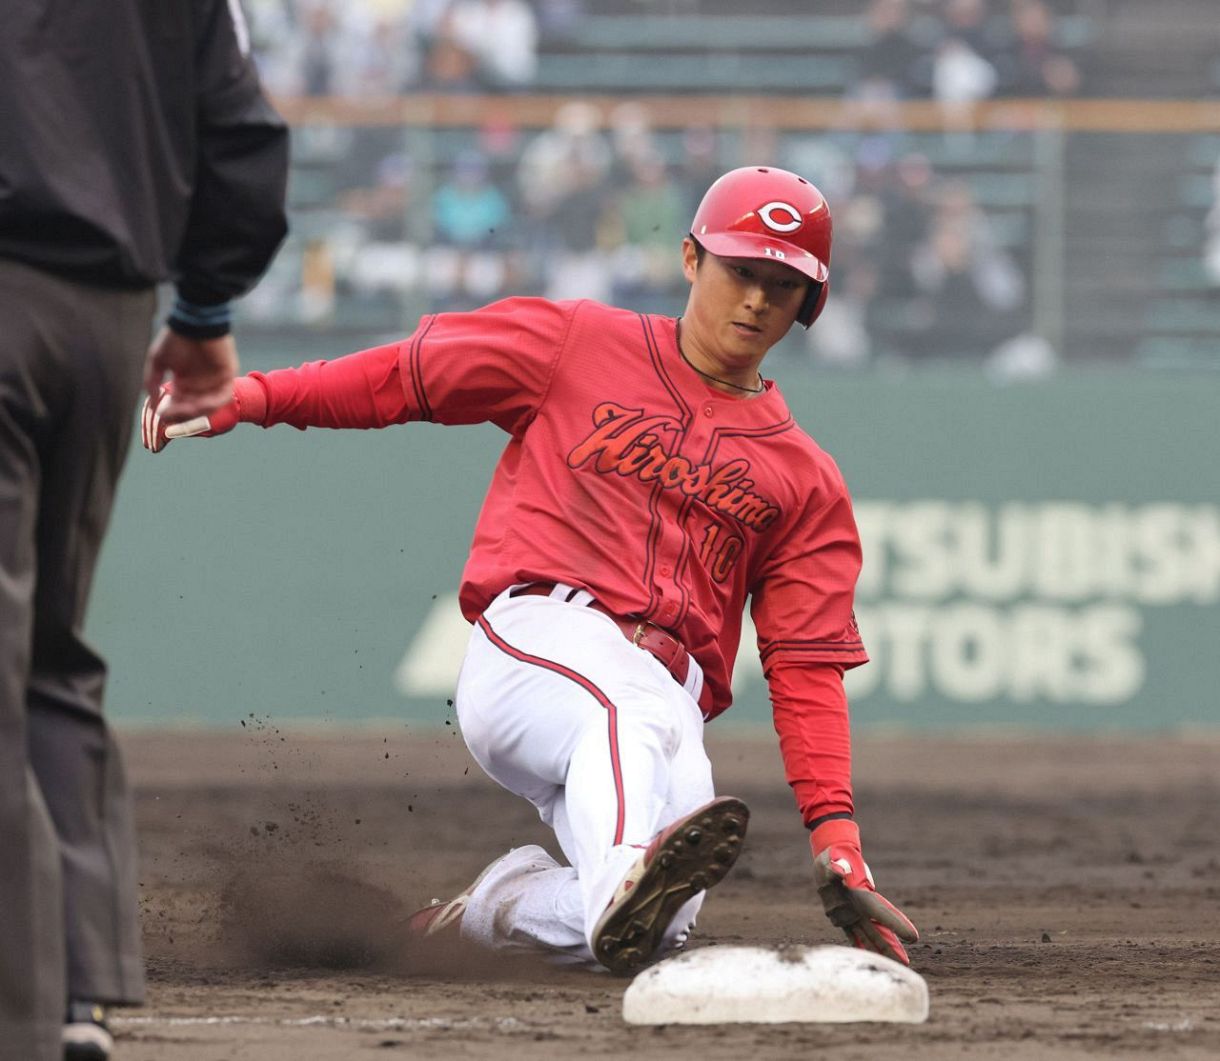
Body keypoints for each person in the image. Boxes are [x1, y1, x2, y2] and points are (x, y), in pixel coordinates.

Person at [142, 166, 918, 975]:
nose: (756, 299)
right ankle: (623, 879)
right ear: (692, 258)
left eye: (782, 284)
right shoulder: (578, 342)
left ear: (809, 303)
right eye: (741, 271)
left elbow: (805, 666)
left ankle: (489, 911)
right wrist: (252, 396)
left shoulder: (806, 479)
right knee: (629, 727)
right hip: (540, 646)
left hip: (666, 703)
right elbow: (406, 376)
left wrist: (836, 836)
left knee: (666, 917)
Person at [0, 2, 289, 1059]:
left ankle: (16, 1008)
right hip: (109, 318)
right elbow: (245, 141)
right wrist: (203, 311)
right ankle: (76, 988)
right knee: (51, 654)